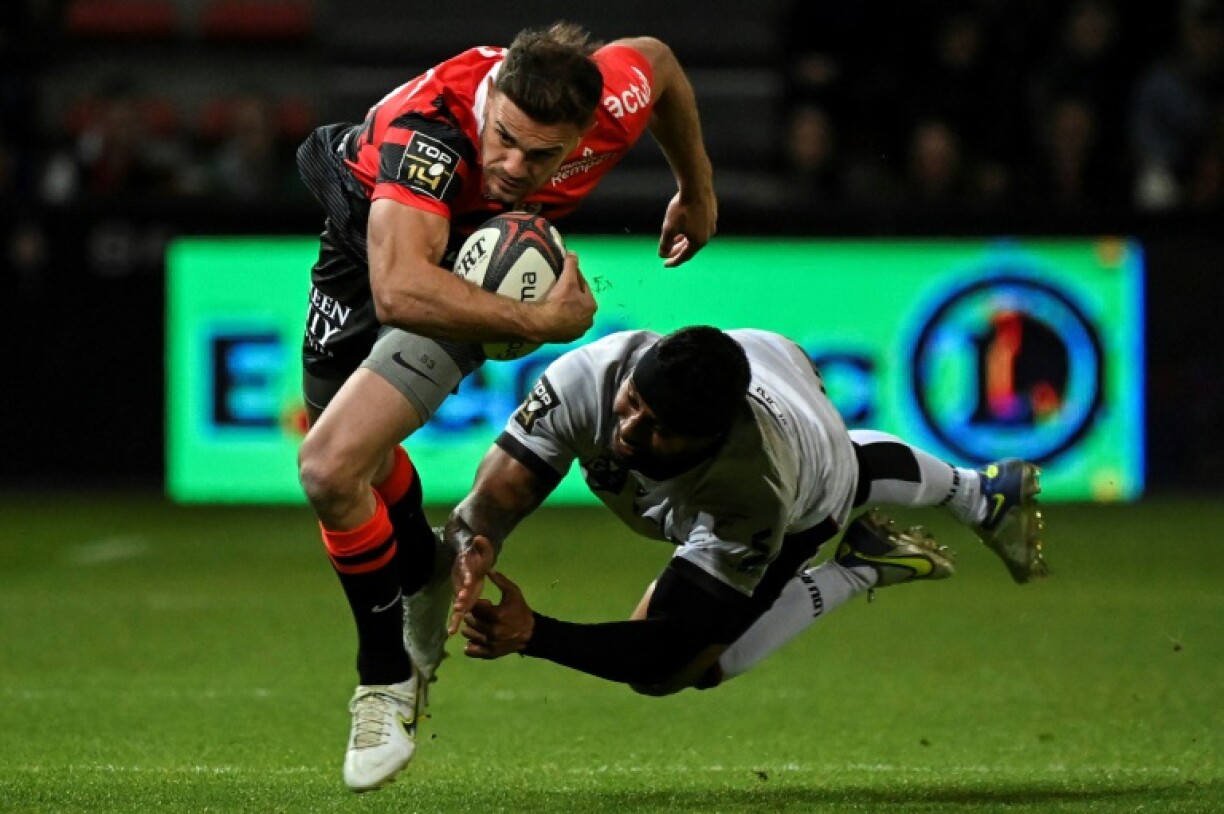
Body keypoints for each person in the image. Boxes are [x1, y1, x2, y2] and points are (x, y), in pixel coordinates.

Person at [292, 22, 716, 791]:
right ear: (489, 106)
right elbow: (397, 287)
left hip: (472, 278)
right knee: (355, 456)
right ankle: (427, 566)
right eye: (506, 141)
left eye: (544, 155)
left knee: (329, 468)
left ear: (585, 132)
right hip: (373, 251)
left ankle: (385, 680)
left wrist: (696, 188)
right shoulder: (432, 134)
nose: (517, 168)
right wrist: (541, 325)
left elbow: (659, 62)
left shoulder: (610, 99)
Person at [443, 326, 1048, 696]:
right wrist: (477, 547)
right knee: (844, 461)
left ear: (707, 437)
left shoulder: (753, 491)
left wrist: (536, 634)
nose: (626, 432)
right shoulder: (592, 377)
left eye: (655, 428)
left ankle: (858, 565)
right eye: (631, 403)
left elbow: (667, 647)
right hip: (763, 356)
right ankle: (980, 492)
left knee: (678, 675)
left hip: (810, 479)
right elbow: (494, 499)